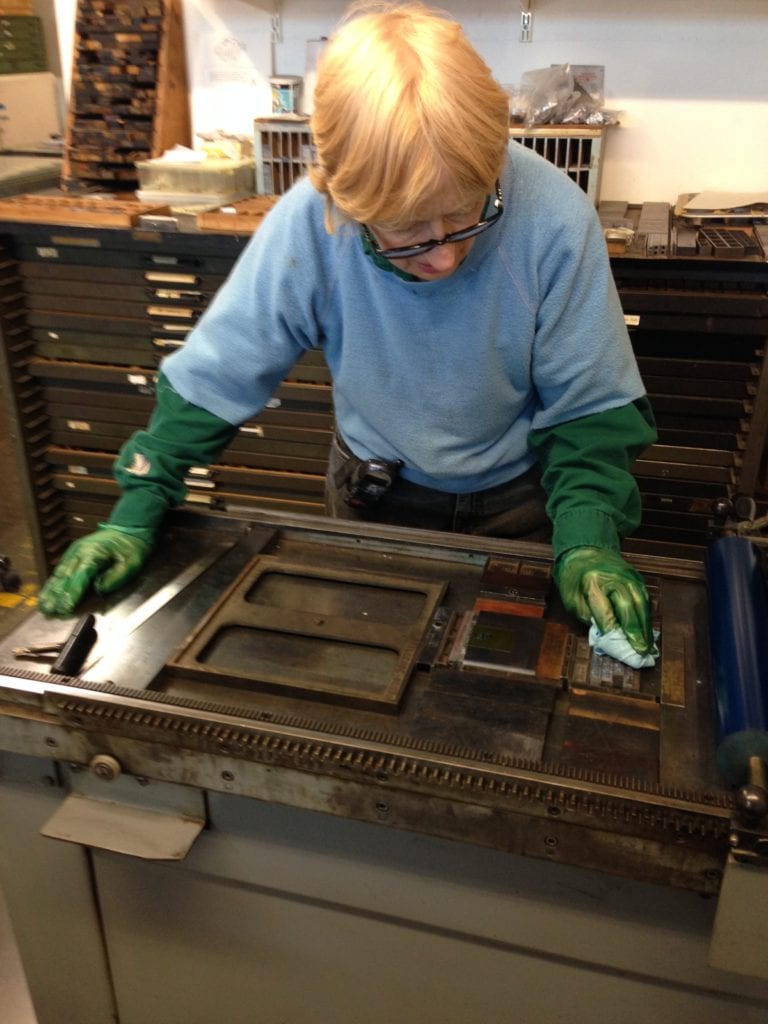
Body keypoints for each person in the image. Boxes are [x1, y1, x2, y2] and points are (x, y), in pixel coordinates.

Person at [38, 1, 658, 666]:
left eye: (466, 217)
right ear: (343, 201)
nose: (445, 257)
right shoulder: (312, 222)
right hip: (376, 499)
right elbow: (217, 377)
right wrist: (139, 501)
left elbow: (590, 408)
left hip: (526, 506)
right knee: (368, 678)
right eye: (405, 234)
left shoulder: (552, 216)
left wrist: (589, 537)